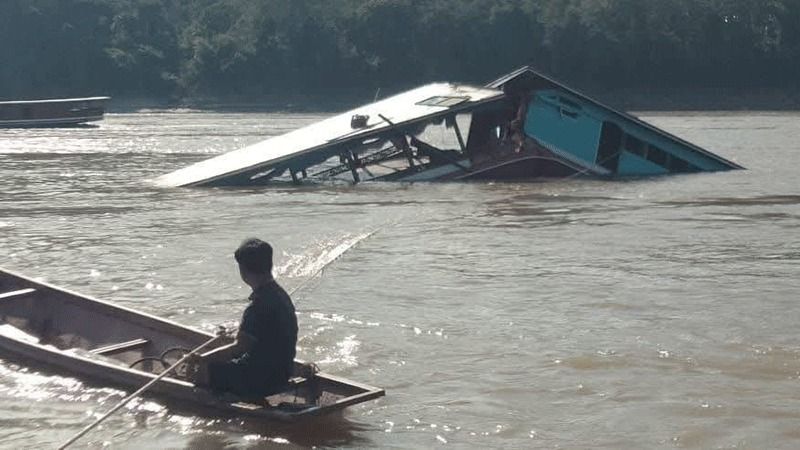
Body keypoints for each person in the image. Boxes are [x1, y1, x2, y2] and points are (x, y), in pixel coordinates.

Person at [190, 238, 298, 398]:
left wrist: (200, 359)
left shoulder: (256, 307)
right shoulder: (282, 296)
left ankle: (212, 400)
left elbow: (238, 348)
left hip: (258, 379)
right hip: (282, 374)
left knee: (202, 369)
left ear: (244, 271)